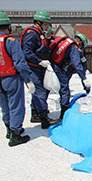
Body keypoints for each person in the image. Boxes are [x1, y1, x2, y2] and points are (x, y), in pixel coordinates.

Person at [0, 11, 35, 146]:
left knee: (4, 105)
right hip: (11, 78)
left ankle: (9, 128)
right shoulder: (11, 41)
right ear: (8, 26)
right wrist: (28, 80)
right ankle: (16, 134)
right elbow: (20, 63)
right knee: (16, 105)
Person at [20, 10, 57, 129]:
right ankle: (44, 118)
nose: (47, 27)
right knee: (40, 92)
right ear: (38, 23)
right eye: (45, 24)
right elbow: (27, 52)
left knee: (41, 91)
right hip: (32, 67)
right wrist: (39, 61)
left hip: (38, 68)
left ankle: (35, 113)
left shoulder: (39, 33)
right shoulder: (32, 34)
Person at [49, 34, 91, 120]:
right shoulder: (73, 48)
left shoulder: (67, 42)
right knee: (65, 88)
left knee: (60, 86)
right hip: (57, 67)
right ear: (80, 42)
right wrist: (84, 79)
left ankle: (38, 110)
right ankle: (64, 113)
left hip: (54, 64)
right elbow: (77, 65)